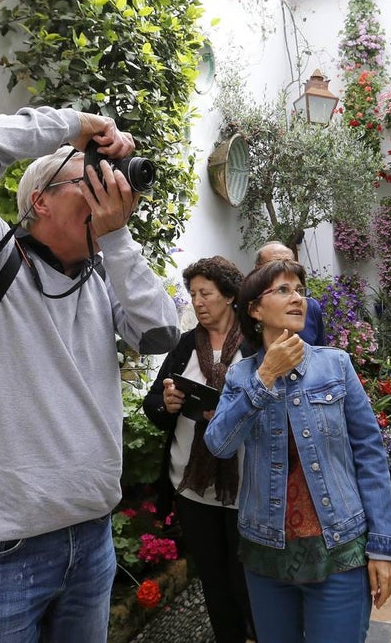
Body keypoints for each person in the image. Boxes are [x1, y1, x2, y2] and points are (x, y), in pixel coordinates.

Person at [0, 106, 180, 643]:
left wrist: (117, 240)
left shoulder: (101, 279)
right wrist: (75, 127)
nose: (107, 191)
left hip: (89, 539)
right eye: (88, 182)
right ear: (39, 200)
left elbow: (160, 336)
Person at [204, 259, 391, 643]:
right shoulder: (241, 376)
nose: (298, 298)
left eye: (300, 290)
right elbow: (219, 445)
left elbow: (370, 456)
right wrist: (265, 377)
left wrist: (382, 548)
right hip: (265, 554)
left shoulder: (335, 365)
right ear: (255, 310)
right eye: (283, 290)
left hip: (338, 548)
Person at [142, 256, 256, 643]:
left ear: (229, 296)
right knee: (212, 577)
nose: (198, 301)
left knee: (247, 577)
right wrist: (167, 403)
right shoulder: (185, 345)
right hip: (191, 486)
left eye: (206, 293)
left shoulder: (257, 343)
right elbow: (154, 400)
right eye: (192, 294)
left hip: (246, 487)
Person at [254, 241, 327, 345]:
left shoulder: (310, 306)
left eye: (289, 263)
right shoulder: (248, 308)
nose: (285, 268)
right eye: (275, 264)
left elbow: (321, 350)